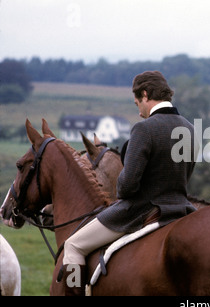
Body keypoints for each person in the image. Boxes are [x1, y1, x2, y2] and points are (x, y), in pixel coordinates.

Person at [59, 71, 197, 295]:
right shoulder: (189, 128)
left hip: (141, 210)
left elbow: (126, 187)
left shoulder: (143, 129)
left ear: (144, 94)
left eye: (137, 104)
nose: (139, 112)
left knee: (73, 245)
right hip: (182, 208)